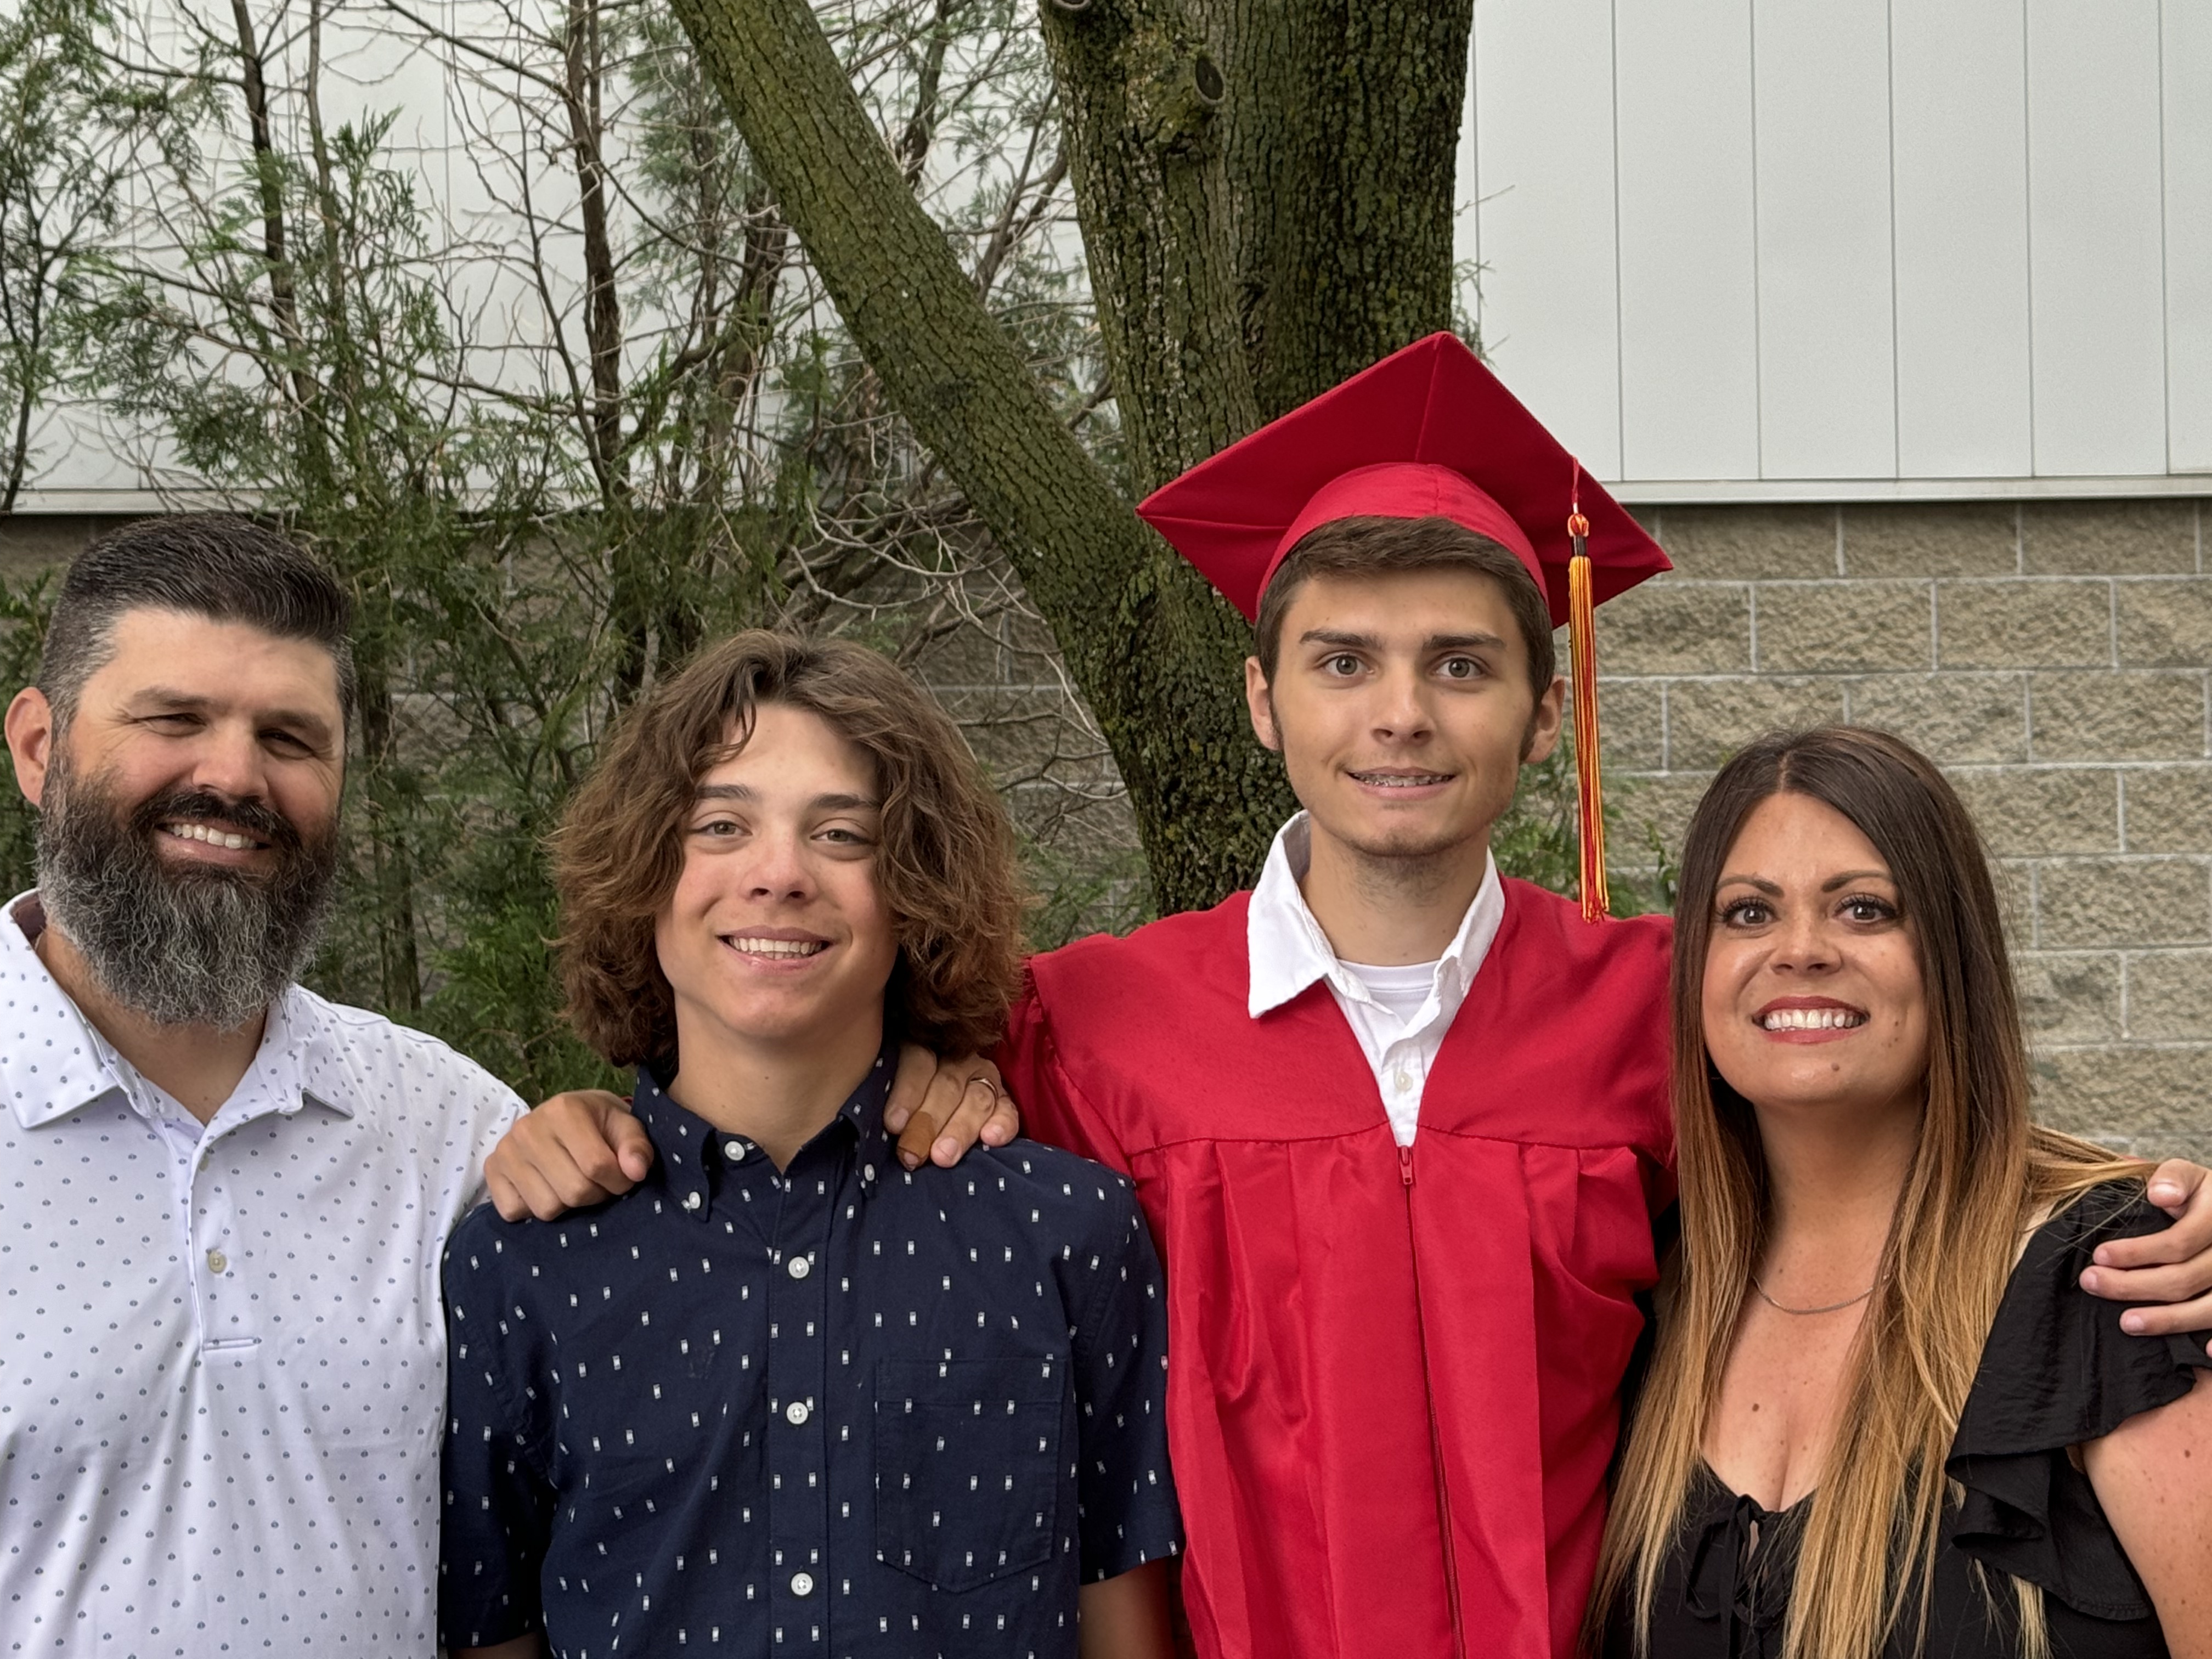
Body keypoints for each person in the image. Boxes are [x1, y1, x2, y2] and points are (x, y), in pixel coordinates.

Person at [484, 336, 2212, 1659]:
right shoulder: (1088, 1023)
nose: (1401, 714)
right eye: (1343, 662)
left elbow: (1890, 1140)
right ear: (1263, 702)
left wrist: (2148, 1211)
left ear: (1539, 713)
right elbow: (799, 1105)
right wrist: (583, 1122)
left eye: (1460, 664)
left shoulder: (1656, 1001)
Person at [437, 631, 1181, 1658]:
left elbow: (1124, 1625)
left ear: (915, 887)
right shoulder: (517, 1264)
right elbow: (492, 1632)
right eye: (721, 826)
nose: (779, 874)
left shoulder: (1070, 1234)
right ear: (643, 874)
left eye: (841, 834)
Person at [0, 515, 530, 1651]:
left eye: (289, 738)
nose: (235, 777)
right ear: (39, 748)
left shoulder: (456, 1135)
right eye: (173, 720)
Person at [1593, 726, 2212, 1657]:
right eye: (1749, 912)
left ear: (1951, 957)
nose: (1800, 950)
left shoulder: (2119, 1279)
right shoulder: (1653, 1296)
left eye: (1865, 909)